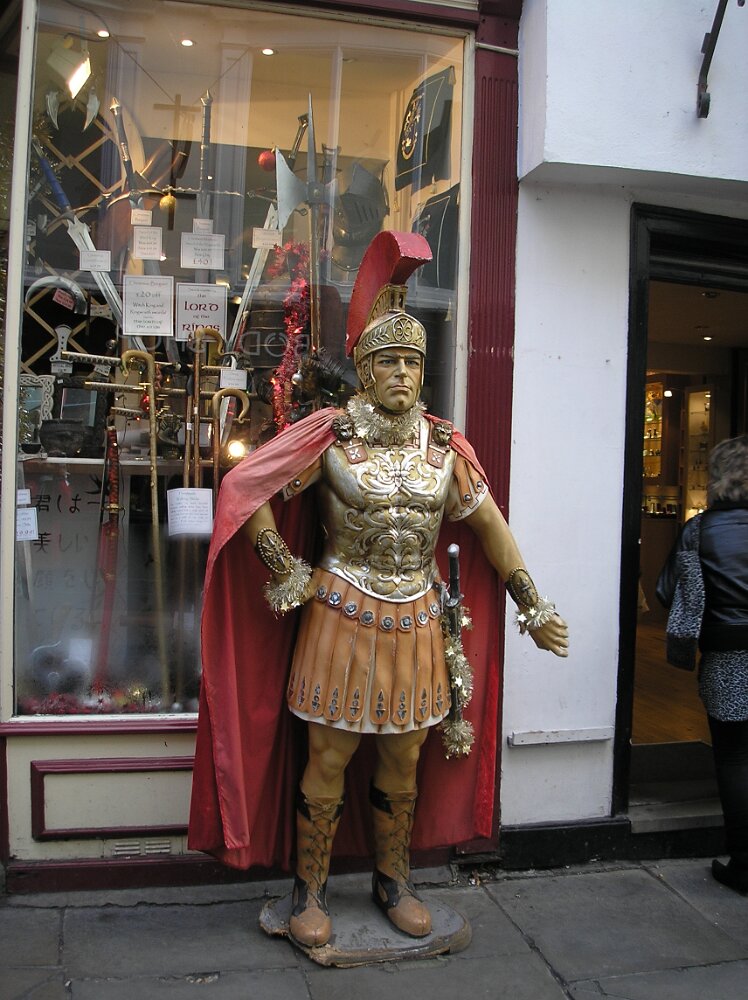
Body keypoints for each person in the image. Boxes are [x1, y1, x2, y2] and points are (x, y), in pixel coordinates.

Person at [188, 231, 569, 948]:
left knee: (404, 759)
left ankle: (394, 881)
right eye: (388, 360)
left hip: (418, 619)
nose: (402, 372)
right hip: (340, 613)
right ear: (365, 370)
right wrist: (284, 565)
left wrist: (533, 604)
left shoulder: (444, 447)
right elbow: (247, 488)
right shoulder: (329, 437)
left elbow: (490, 526)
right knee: (328, 758)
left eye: (412, 362)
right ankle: (309, 893)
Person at [657, 433, 748, 896]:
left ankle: (744, 864)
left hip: (727, 656)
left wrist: (680, 648)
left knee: (734, 756)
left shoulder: (699, 530)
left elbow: (675, 596)